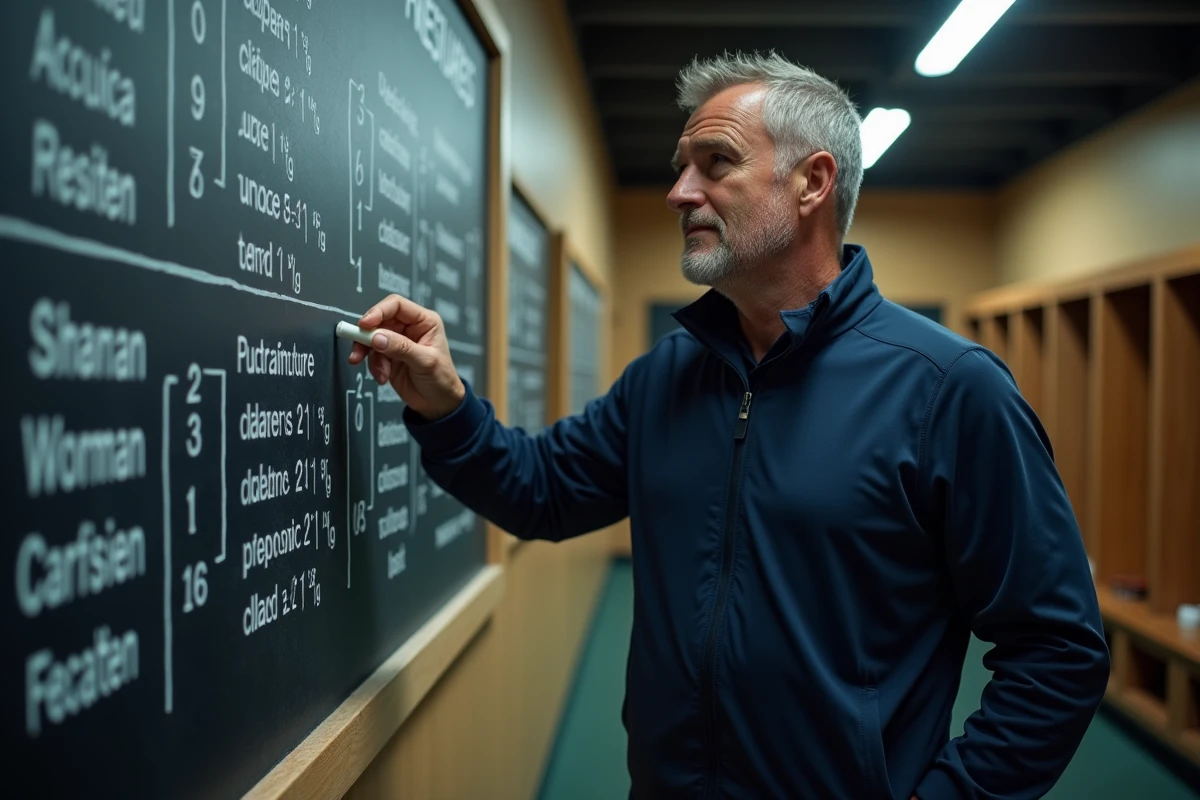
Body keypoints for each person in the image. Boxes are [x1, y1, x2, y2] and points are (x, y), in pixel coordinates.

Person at [348, 52, 1109, 800]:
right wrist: (444, 404)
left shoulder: (948, 389)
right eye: (681, 166)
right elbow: (539, 489)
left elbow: (1057, 650)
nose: (681, 192)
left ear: (813, 182)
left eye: (716, 163)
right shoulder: (668, 375)